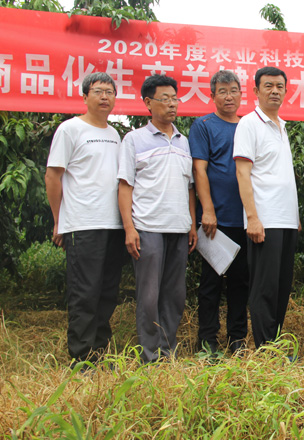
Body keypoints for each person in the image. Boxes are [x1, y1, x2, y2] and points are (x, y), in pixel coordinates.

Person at [45, 72, 126, 364]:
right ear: (84, 96)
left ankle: (99, 351)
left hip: (113, 224)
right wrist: (59, 220)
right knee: (85, 291)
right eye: (98, 91)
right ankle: (82, 358)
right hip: (83, 223)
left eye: (110, 92)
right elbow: (53, 176)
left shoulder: (115, 134)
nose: (105, 97)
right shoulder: (70, 130)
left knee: (107, 291)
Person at [117, 75, 197, 363]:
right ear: (148, 103)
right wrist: (129, 228)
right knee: (149, 297)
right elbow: (125, 185)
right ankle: (151, 355)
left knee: (174, 295)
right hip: (148, 227)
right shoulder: (134, 139)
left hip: (179, 228)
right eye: (165, 98)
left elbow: (189, 187)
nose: (172, 104)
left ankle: (167, 350)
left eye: (175, 98)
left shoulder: (183, 141)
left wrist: (191, 223)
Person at [233, 66, 299, 350]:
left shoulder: (282, 125)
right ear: (256, 90)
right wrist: (253, 218)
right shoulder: (249, 123)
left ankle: (275, 344)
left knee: (282, 287)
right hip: (265, 219)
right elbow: (242, 173)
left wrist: (294, 218)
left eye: (280, 86)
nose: (275, 91)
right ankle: (265, 349)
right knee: (264, 287)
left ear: (286, 90)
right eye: (268, 85)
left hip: (286, 221)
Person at [189, 70, 249, 354]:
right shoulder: (203, 125)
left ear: (241, 94)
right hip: (216, 220)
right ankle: (208, 342)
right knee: (211, 284)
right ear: (212, 96)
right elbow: (199, 168)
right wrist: (208, 210)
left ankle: (237, 340)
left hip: (246, 219)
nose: (229, 96)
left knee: (240, 283)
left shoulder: (250, 125)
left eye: (234, 90)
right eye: (223, 91)